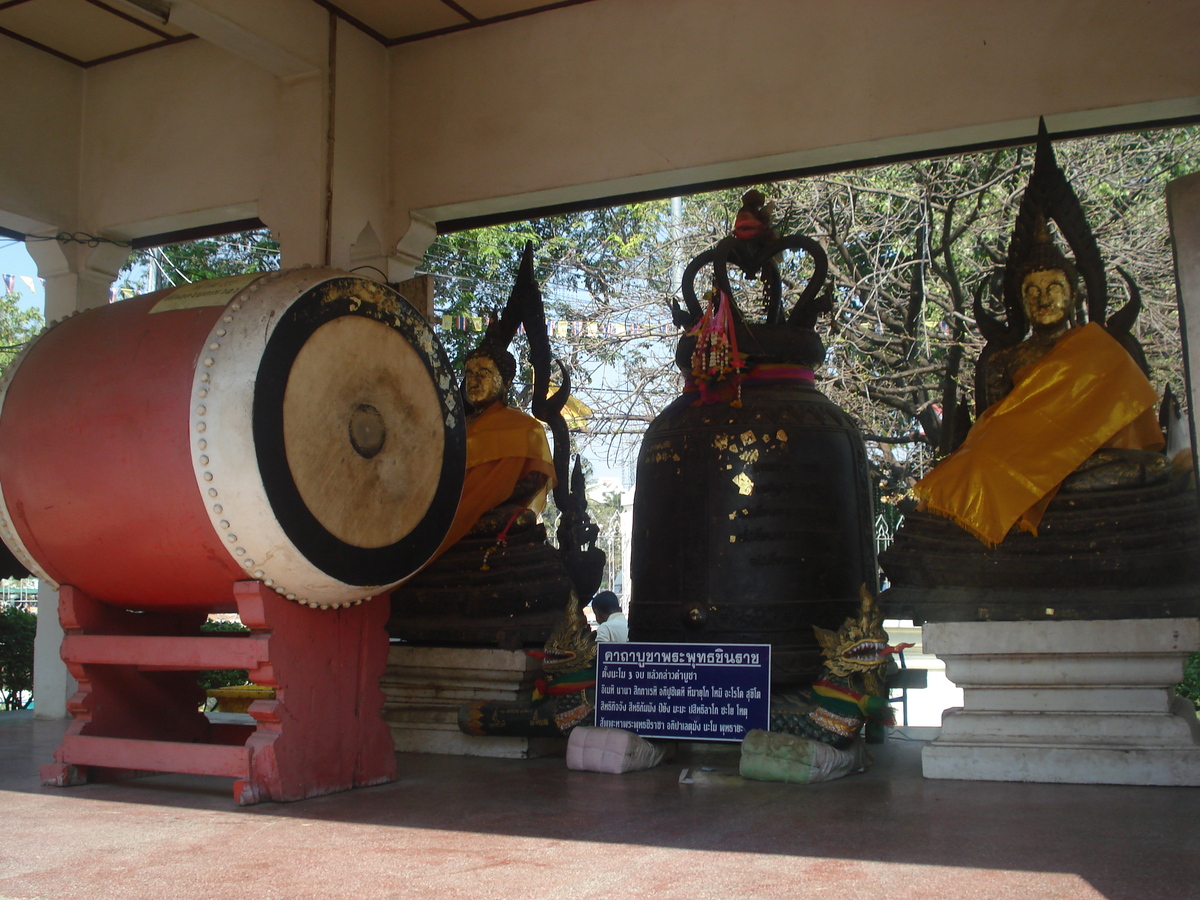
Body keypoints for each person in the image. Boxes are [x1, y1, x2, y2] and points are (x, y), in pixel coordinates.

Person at [913, 227, 1167, 547]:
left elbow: (1122, 425)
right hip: (1019, 462)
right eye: (1031, 291)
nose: (1043, 299)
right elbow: (996, 427)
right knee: (975, 471)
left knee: (1155, 467)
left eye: (1053, 288)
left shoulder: (1100, 350)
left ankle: (1036, 489)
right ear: (1021, 301)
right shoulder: (1005, 359)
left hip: (1082, 461)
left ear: (1073, 294)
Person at [434, 343, 556, 556]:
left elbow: (535, 478)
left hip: (495, 510)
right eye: (470, 374)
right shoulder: (456, 428)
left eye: (484, 374)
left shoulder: (525, 427)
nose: (474, 381)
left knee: (519, 519)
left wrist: (490, 497)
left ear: (506, 382)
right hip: (452, 509)